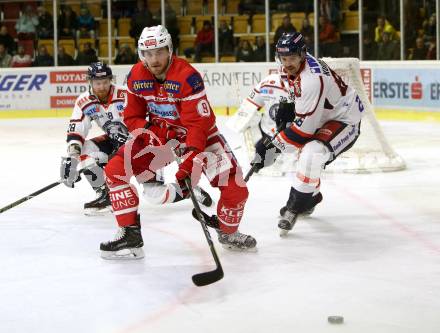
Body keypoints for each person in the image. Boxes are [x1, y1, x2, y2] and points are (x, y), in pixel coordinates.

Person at [100, 25, 256, 259]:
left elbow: (198, 125)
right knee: (114, 170)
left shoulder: (187, 76)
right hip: (163, 137)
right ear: (141, 54)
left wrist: (191, 159)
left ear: (170, 50)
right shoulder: (136, 76)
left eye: (160, 52)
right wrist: (150, 132)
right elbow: (132, 117)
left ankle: (227, 232)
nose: (154, 59)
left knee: (235, 189)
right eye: (148, 53)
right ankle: (130, 234)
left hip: (201, 136)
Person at [230, 32, 363, 236]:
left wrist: (270, 148)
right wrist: (290, 109)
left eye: (292, 58)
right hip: (321, 115)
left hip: (344, 119)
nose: (287, 63)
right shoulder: (290, 66)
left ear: (303, 54)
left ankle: (295, 206)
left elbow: (302, 132)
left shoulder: (312, 79)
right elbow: (293, 92)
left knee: (311, 154)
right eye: (284, 58)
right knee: (306, 157)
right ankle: (312, 197)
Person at [60, 62, 128, 215]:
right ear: (89, 82)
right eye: (98, 83)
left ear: (111, 80)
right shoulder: (85, 101)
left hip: (136, 142)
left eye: (105, 82)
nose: (102, 87)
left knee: (155, 193)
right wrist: (72, 160)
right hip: (113, 141)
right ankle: (106, 194)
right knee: (84, 150)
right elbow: (76, 130)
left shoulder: (125, 94)